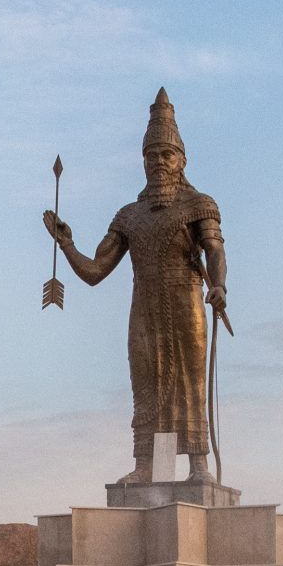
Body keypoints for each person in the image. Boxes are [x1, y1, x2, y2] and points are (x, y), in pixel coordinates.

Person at [43, 88, 229, 484]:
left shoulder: (199, 204)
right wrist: (67, 243)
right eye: (151, 155)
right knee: (145, 386)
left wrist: (220, 287)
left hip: (185, 305)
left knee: (190, 385)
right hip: (143, 310)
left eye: (166, 154)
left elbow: (214, 249)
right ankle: (145, 466)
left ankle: (198, 467)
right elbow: (95, 272)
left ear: (181, 160)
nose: (158, 162)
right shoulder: (128, 216)